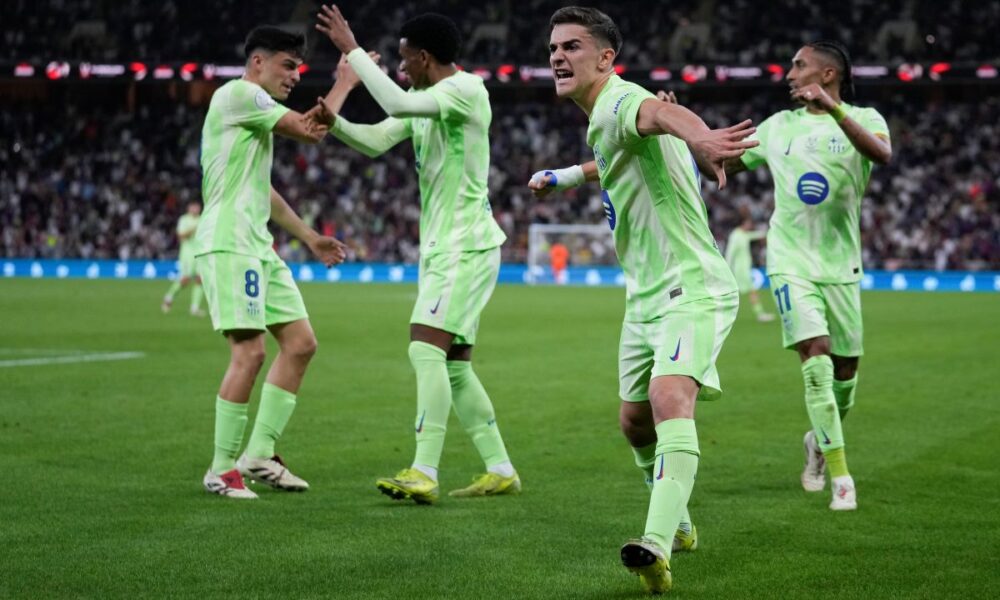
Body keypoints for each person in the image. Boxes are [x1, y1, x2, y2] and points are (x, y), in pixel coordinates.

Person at [527, 6, 756, 594]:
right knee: (633, 424)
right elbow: (615, 157)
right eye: (553, 46)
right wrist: (564, 176)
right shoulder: (603, 119)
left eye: (572, 46)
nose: (557, 55)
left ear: (606, 58)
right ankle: (677, 522)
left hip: (692, 284)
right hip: (645, 296)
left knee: (668, 396)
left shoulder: (618, 100)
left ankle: (655, 546)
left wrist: (701, 134)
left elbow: (660, 111)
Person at [313, 6, 519, 504]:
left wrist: (352, 50)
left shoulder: (466, 91)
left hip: (465, 246)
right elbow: (379, 139)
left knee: (424, 349)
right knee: (452, 365)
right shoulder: (426, 100)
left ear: (425, 57)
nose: (401, 69)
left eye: (405, 60)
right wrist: (335, 122)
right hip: (448, 249)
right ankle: (500, 467)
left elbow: (396, 105)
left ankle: (424, 469)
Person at [724, 41, 892, 511]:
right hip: (788, 261)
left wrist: (835, 110)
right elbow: (724, 164)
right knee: (815, 359)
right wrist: (683, 140)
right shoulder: (779, 127)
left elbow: (882, 155)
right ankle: (841, 476)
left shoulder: (867, 117)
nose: (789, 73)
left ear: (829, 73)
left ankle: (818, 442)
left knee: (845, 375)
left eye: (799, 65)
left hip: (840, 265)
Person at [196, 26, 346, 499]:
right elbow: (310, 129)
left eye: (299, 68)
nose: (295, 76)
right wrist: (345, 82)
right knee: (251, 353)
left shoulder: (253, 117)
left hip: (257, 245)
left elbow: (265, 191)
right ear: (257, 62)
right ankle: (221, 469)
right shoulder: (238, 94)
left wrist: (310, 238)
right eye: (288, 65)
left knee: (300, 343)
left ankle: (259, 452)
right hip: (230, 242)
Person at [724, 216, 774, 322]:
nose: (750, 225)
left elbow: (754, 235)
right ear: (743, 223)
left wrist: (768, 231)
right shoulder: (736, 236)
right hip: (740, 270)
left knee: (738, 293)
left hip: (745, 269)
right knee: (751, 292)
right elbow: (730, 253)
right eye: (749, 223)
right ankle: (760, 314)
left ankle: (725, 316)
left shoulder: (743, 235)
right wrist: (727, 269)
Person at [161, 201, 206, 316]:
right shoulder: (184, 219)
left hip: (200, 253)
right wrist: (194, 229)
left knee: (200, 279)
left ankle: (194, 308)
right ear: (189, 208)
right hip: (187, 255)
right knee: (185, 280)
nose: (196, 209)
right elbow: (181, 236)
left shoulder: (203, 218)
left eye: (197, 207)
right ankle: (168, 298)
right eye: (193, 207)